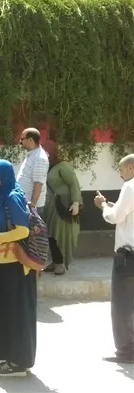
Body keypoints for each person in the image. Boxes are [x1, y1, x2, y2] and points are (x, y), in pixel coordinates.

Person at [0, 159, 37, 376]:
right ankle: (11, 359)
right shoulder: (4, 197)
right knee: (6, 314)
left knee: (17, 314)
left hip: (17, 266)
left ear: (4, 176)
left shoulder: (13, 197)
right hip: (7, 264)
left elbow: (23, 230)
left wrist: (0, 238)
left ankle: (19, 363)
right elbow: (1, 236)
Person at [94, 154, 134, 364]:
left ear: (130, 168)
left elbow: (116, 216)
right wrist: (111, 204)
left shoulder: (130, 186)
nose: (120, 175)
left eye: (121, 170)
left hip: (128, 256)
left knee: (122, 305)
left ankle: (126, 351)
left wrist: (103, 206)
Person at [41, 141, 82, 275]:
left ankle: (61, 263)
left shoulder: (63, 166)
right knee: (50, 234)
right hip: (50, 206)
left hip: (62, 206)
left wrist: (75, 203)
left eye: (45, 150)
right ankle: (55, 261)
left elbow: (74, 183)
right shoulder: (45, 166)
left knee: (59, 233)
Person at [17, 128, 49, 213]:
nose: (20, 141)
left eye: (22, 139)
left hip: (32, 207)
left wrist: (32, 207)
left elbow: (38, 184)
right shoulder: (33, 154)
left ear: (30, 140)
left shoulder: (39, 158)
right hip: (25, 204)